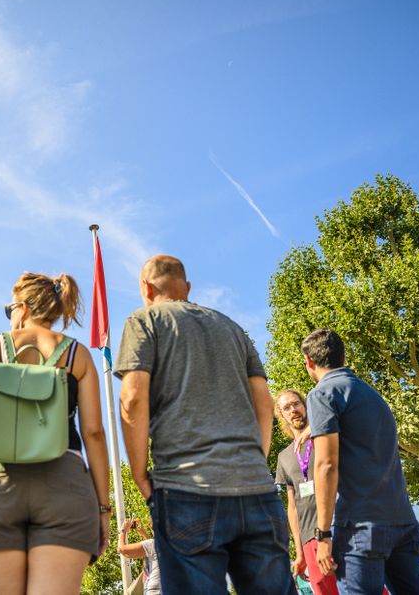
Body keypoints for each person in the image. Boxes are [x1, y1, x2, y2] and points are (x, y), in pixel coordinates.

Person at [116, 254, 296, 595]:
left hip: (186, 488)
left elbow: (133, 399)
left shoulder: (144, 321)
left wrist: (140, 475)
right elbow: (263, 398)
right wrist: (257, 458)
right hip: (255, 488)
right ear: (187, 287)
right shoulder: (231, 327)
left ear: (146, 287)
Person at [0, 272, 111, 595]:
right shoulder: (77, 354)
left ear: (23, 308)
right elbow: (94, 433)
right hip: (64, 486)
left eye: (9, 308)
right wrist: (103, 509)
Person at [303, 328, 419, 594]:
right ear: (342, 357)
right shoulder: (372, 395)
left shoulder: (322, 394)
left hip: (360, 529)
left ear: (309, 362)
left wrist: (323, 534)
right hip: (403, 523)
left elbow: (326, 464)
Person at [275, 389, 340, 595]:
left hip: (338, 527)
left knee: (361, 588)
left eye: (296, 404)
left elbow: (345, 419)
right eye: (287, 408)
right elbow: (292, 507)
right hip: (308, 538)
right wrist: (300, 551)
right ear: (282, 415)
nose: (293, 410)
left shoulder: (324, 437)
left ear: (305, 406)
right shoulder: (283, 457)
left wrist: (317, 428)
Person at [116, 518, 161, 595]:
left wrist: (123, 530)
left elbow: (122, 549)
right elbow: (154, 554)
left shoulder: (153, 544)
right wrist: (145, 534)